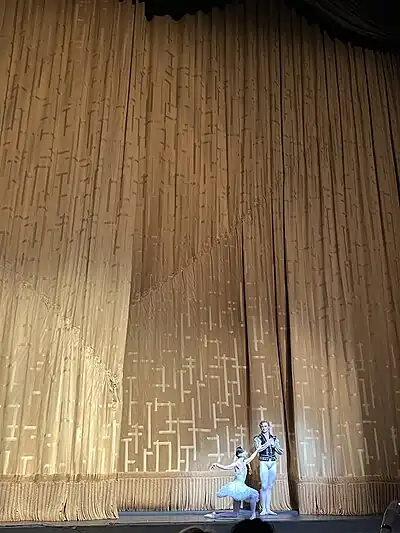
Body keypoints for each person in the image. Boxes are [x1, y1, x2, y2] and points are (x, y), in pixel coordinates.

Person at [210, 445, 265, 520]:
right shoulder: (237, 463)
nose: (246, 453)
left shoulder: (244, 462)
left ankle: (216, 516)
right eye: (244, 452)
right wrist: (216, 464)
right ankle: (253, 514)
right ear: (241, 454)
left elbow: (252, 457)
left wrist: (257, 449)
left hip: (240, 486)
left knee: (235, 513)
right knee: (253, 494)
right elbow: (226, 467)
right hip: (237, 486)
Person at [253, 421, 283, 516]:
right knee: (264, 486)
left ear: (269, 427)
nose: (264, 428)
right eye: (262, 426)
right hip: (264, 462)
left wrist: (273, 444)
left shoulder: (274, 438)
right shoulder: (257, 438)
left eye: (265, 426)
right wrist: (267, 444)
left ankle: (268, 508)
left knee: (269, 486)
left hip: (272, 462)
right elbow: (258, 449)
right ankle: (263, 509)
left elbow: (280, 451)